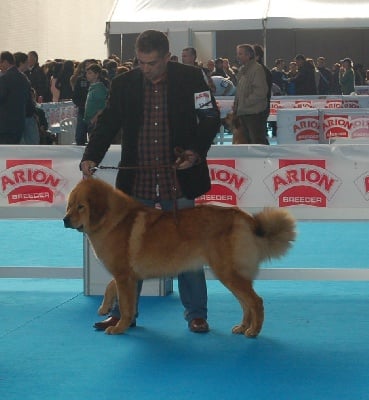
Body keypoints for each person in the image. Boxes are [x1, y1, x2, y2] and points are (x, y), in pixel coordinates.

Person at [80, 30, 220, 333]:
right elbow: (108, 123)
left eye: (152, 63)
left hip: (180, 178)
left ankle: (196, 313)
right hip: (137, 182)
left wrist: (195, 153)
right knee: (127, 253)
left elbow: (210, 118)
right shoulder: (124, 83)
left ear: (167, 58)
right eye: (141, 63)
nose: (146, 69)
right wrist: (91, 154)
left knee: (188, 248)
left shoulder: (192, 78)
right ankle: (122, 314)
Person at [233, 44, 269, 144]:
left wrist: (244, 102)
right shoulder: (242, 70)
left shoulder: (257, 69)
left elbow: (260, 92)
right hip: (244, 112)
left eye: (240, 54)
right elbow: (240, 91)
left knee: (257, 141)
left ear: (248, 55)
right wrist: (237, 104)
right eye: (238, 54)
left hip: (254, 113)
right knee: (247, 142)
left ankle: (264, 160)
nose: (238, 56)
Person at [0, 51, 34, 144]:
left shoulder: (4, 79)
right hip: (19, 123)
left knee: (4, 154)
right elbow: (29, 104)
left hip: (4, 125)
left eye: (0, 62)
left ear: (6, 62)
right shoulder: (24, 79)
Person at [83, 63, 109, 136]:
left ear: (97, 75)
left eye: (90, 73)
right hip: (91, 121)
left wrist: (94, 119)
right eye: (87, 73)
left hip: (96, 122)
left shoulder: (99, 89)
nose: (87, 75)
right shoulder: (93, 87)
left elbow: (104, 106)